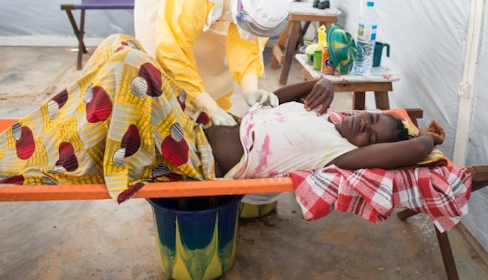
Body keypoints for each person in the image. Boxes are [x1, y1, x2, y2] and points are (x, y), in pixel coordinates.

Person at [0, 34, 445, 202]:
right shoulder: (322, 117)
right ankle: (54, 131)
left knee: (130, 68)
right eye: (368, 120)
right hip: (192, 123)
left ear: (371, 149)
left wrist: (426, 140)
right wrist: (321, 84)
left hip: (191, 154)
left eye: (371, 136)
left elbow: (407, 149)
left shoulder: (337, 154)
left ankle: (45, 151)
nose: (362, 128)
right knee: (120, 46)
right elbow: (273, 98)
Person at [134, 0, 294, 126]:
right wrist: (208, 107)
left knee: (215, 65)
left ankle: (209, 124)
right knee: (157, 71)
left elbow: (245, 40)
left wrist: (250, 87)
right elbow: (171, 51)